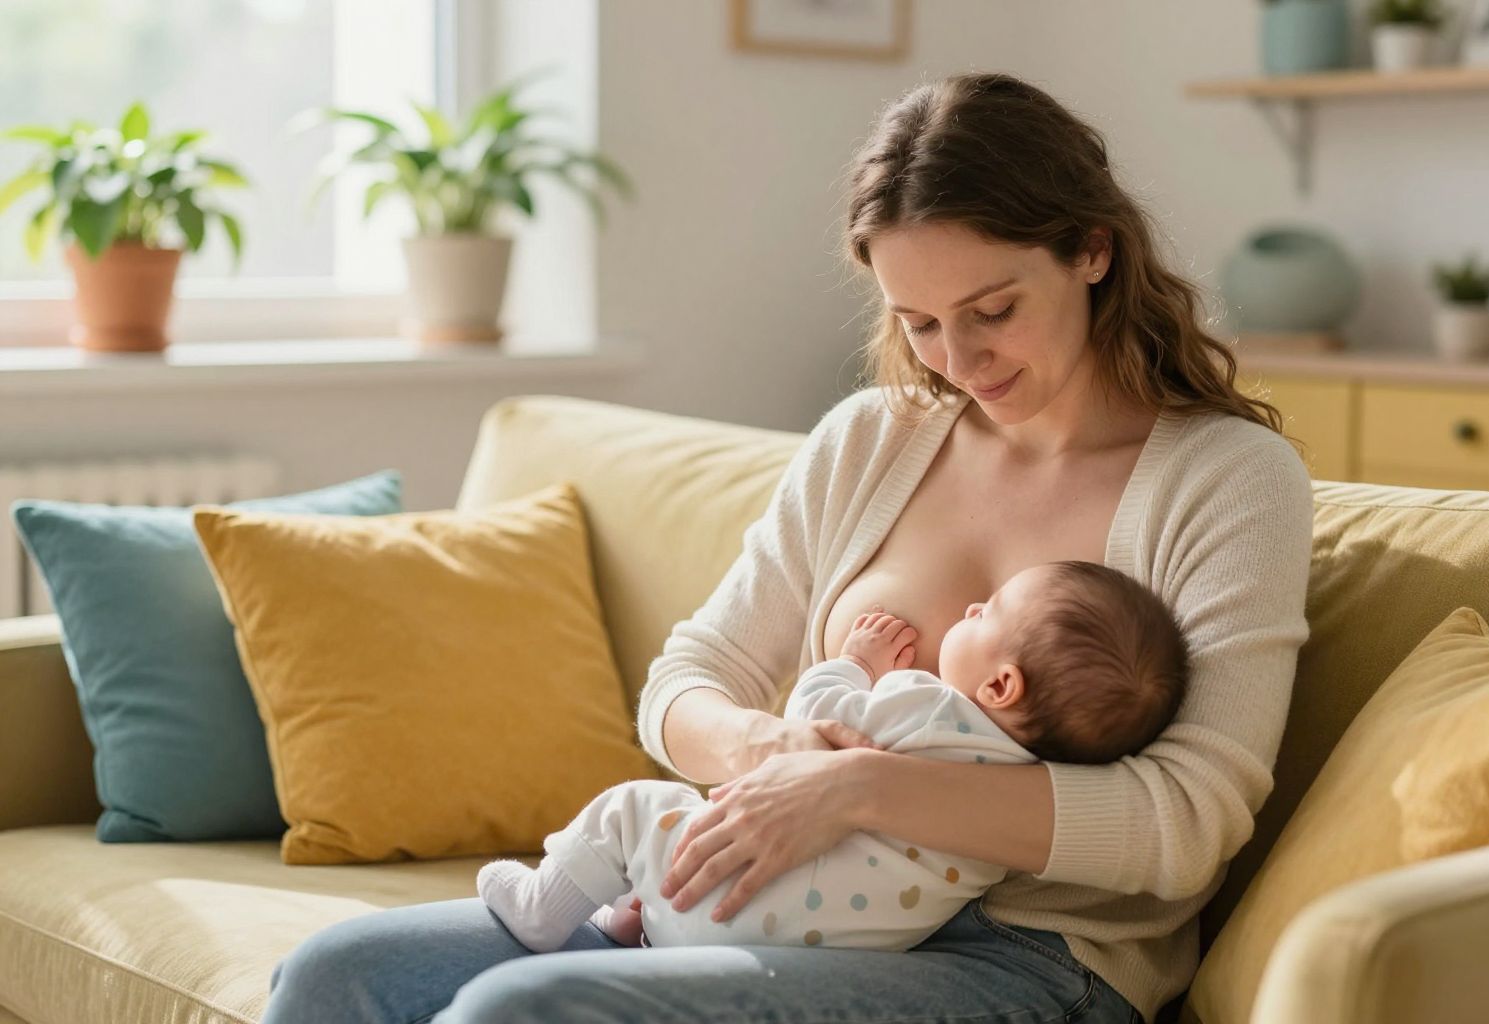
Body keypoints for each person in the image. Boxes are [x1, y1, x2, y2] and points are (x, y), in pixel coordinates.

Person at [262, 70, 1312, 1024]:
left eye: (993, 309)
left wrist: (858, 790)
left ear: (1092, 250)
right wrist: (767, 755)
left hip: (1028, 960)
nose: (960, 357)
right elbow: (687, 678)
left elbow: (1187, 820)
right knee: (335, 974)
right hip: (772, 898)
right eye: (922, 323)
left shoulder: (1226, 480)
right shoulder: (873, 439)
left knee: (531, 1009)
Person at [477, 561, 1189, 955]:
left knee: (637, 807)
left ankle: (547, 908)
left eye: (989, 611)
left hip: (728, 900)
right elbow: (691, 677)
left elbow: (812, 728)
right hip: (819, 949)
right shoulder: (1019, 808)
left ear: (1001, 685)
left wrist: (851, 663)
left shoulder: (926, 703)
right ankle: (630, 921)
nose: (971, 609)